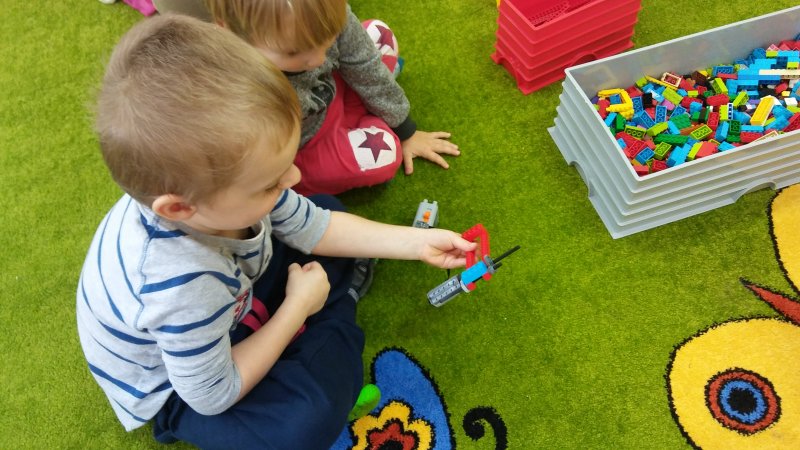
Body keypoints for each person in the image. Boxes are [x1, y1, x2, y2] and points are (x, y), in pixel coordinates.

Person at [77, 14, 476, 449]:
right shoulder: (177, 285)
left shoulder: (214, 195)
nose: (294, 177)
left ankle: (316, 315)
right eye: (270, 182)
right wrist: (297, 308)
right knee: (301, 424)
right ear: (179, 208)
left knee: (325, 211)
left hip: (231, 298)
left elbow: (314, 223)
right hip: (185, 388)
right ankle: (330, 312)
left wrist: (418, 242)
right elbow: (212, 395)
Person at [157, 0, 460, 195]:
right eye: (294, 52)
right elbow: (263, 165)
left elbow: (363, 62)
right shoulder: (239, 89)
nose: (317, 59)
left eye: (327, 41)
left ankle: (369, 117)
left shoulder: (321, 14)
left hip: (333, 95)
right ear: (232, 35)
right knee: (384, 154)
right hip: (304, 146)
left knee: (379, 34)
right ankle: (367, 121)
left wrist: (404, 129)